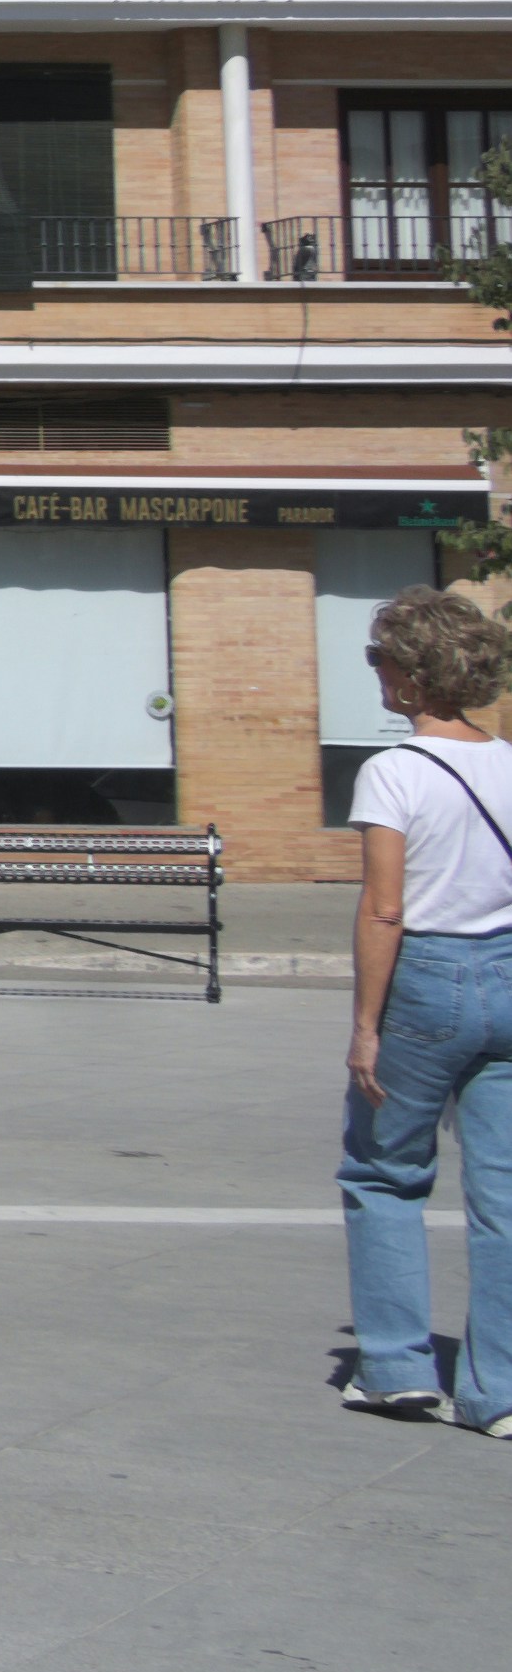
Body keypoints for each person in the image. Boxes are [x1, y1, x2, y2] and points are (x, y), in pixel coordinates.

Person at [331, 585, 512, 1422]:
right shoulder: (510, 764)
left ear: (409, 677)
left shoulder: (394, 771)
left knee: (384, 1170)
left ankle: (397, 1365)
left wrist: (365, 1027)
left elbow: (385, 908)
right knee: (504, 1198)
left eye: (379, 661)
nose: (375, 674)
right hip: (508, 973)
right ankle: (499, 1390)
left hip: (427, 980)